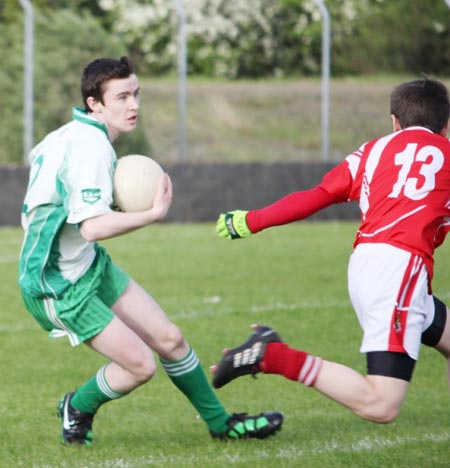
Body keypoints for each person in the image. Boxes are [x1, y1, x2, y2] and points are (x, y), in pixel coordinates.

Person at [18, 56, 283, 446]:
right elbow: (92, 227)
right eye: (122, 97)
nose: (133, 105)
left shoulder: (70, 134)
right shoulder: (90, 146)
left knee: (170, 339)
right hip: (56, 284)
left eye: (136, 94)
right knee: (140, 365)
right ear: (95, 103)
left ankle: (221, 425)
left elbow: (46, 176)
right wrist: (151, 213)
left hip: (85, 265)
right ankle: (77, 405)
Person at [211, 77, 450, 424]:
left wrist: (253, 220)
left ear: (394, 122)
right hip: (399, 271)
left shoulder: (373, 151)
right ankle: (272, 355)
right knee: (381, 405)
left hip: (367, 264)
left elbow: (317, 195)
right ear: (446, 124)